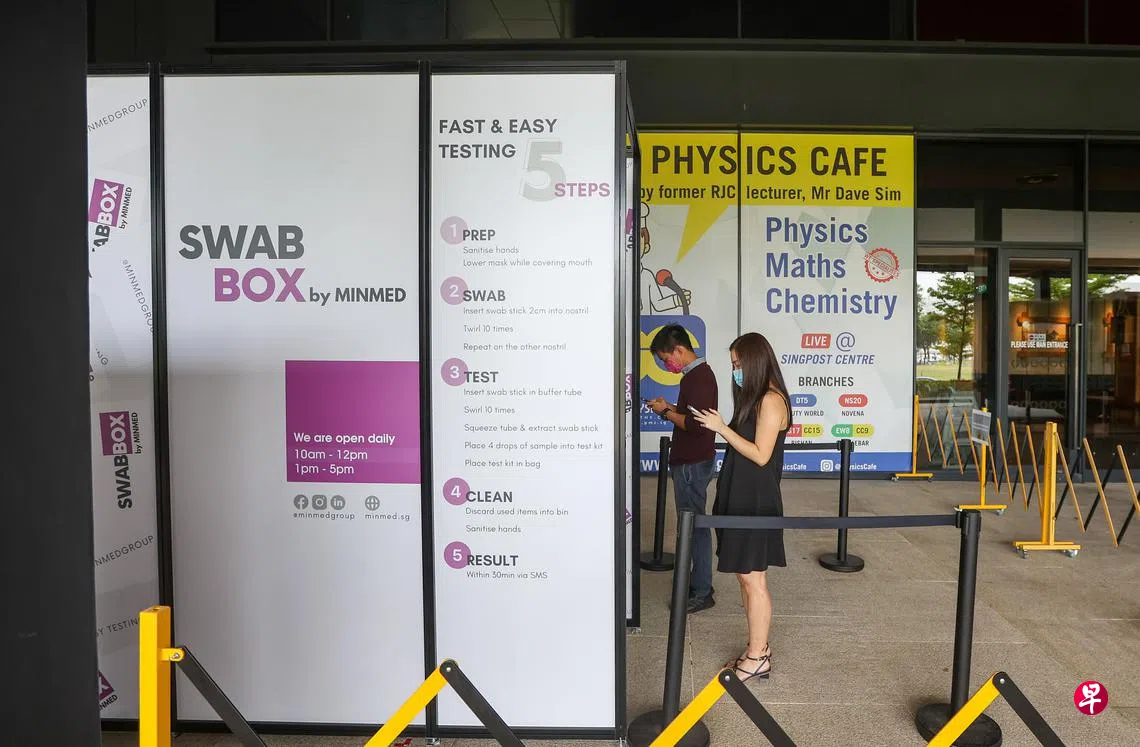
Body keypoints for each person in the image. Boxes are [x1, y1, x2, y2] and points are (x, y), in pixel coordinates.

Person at [691, 332, 791, 682]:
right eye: (733, 364)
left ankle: (759, 655)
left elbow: (761, 455)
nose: (735, 370)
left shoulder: (772, 401)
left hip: (755, 501)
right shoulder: (756, 399)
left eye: (738, 364)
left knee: (754, 580)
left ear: (755, 361)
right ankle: (757, 647)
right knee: (745, 578)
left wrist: (721, 428)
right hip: (739, 497)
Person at [645, 324, 718, 613]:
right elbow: (691, 414)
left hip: (691, 464)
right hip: (692, 461)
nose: (667, 365)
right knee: (693, 526)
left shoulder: (698, 378)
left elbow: (696, 426)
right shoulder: (695, 377)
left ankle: (701, 591)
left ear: (679, 349)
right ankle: (699, 583)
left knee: (694, 528)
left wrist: (665, 412)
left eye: (666, 359)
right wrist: (670, 407)